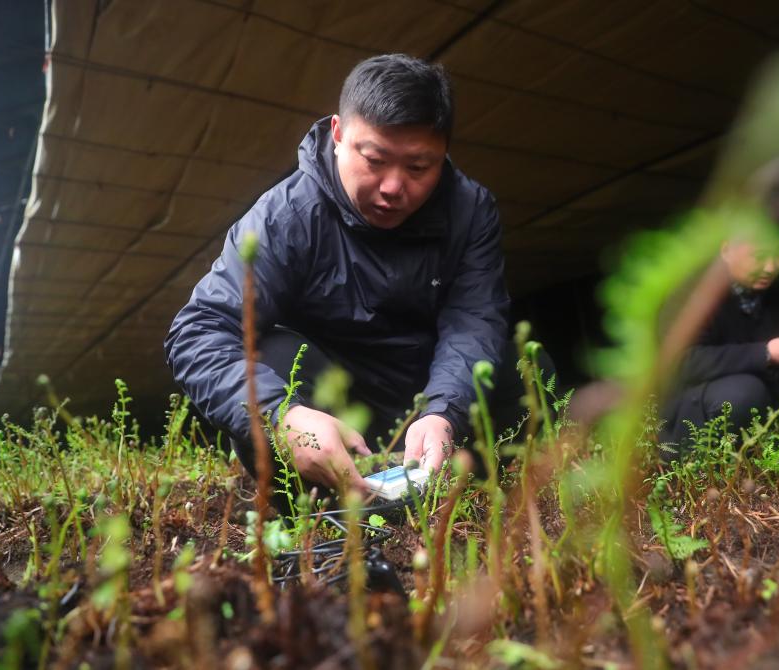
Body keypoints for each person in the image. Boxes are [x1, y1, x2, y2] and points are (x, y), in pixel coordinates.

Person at [164, 54, 516, 499]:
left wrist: (444, 410)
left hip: (429, 396)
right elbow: (197, 332)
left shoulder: (470, 211)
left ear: (443, 154)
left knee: (525, 368)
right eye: (374, 159)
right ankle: (321, 505)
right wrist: (280, 416)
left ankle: (464, 492)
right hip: (331, 409)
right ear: (337, 134)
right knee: (271, 354)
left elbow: (474, 319)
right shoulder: (286, 215)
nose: (392, 186)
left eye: (417, 168)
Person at [664, 238, 779, 446]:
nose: (770, 267)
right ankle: (703, 463)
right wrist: (764, 354)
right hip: (703, 392)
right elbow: (681, 362)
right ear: (727, 250)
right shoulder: (695, 288)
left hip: (769, 379)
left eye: (778, 255)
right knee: (744, 395)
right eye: (759, 257)